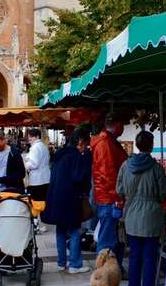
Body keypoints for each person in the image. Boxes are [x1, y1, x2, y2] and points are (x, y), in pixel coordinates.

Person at [116, 131, 166, 286]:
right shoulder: (156, 168)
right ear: (151, 145)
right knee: (150, 257)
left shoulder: (125, 165)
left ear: (138, 144)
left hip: (131, 216)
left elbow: (119, 190)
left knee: (134, 256)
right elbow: (164, 193)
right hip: (152, 217)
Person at [42, 128, 92, 274]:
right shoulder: (75, 156)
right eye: (86, 145)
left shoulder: (60, 155)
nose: (85, 148)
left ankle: (61, 262)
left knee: (61, 230)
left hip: (56, 198)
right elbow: (78, 177)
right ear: (81, 142)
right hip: (70, 198)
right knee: (75, 230)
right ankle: (75, 264)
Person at [91, 113, 128, 268]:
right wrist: (117, 198)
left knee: (115, 239)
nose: (124, 128)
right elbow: (108, 174)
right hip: (109, 199)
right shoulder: (105, 144)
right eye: (122, 125)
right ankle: (104, 273)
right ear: (116, 125)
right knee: (108, 241)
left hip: (109, 197)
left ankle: (114, 270)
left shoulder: (109, 142)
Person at [0, 129, 26, 230]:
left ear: (4, 140)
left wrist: (0, 179)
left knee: (11, 224)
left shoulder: (14, 153)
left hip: (12, 193)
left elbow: (21, 174)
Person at [25, 129, 50, 201]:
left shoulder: (35, 147)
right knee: (43, 201)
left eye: (32, 136)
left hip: (37, 180)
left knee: (36, 202)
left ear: (37, 137)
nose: (29, 138)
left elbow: (34, 164)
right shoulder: (43, 146)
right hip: (45, 178)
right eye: (29, 136)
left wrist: (25, 165)